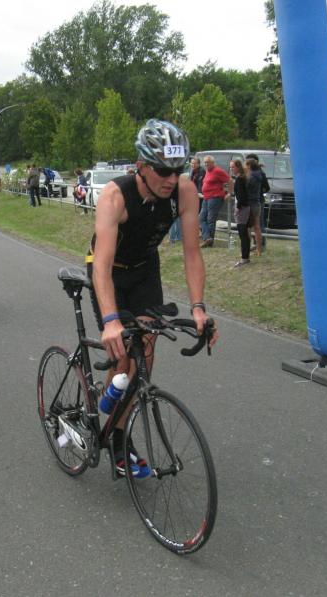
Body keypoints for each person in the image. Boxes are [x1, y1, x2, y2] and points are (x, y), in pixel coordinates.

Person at [87, 119, 218, 476]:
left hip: (145, 269)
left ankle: (118, 433)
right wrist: (111, 321)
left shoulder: (184, 191)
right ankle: (111, 405)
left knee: (144, 350)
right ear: (141, 166)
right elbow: (101, 267)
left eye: (178, 169)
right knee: (121, 351)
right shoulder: (114, 196)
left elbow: (192, 253)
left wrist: (198, 308)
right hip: (110, 271)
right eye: (162, 170)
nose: (171, 179)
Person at [231, 159, 262, 267]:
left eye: (233, 167)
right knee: (245, 233)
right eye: (230, 167)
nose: (231, 169)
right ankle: (246, 256)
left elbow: (242, 196)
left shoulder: (241, 179)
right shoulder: (243, 178)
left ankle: (245, 258)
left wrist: (238, 206)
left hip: (243, 208)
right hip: (247, 206)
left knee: (243, 233)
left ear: (238, 167)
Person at [199, 155, 231, 248]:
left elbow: (229, 180)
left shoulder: (217, 171)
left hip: (215, 197)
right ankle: (207, 237)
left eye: (208, 162)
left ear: (213, 163)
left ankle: (209, 241)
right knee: (201, 218)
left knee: (210, 220)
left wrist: (229, 193)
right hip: (206, 197)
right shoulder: (207, 171)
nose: (206, 164)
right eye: (205, 162)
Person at [245, 153, 270, 252]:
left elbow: (267, 188)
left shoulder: (260, 173)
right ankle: (255, 244)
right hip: (253, 201)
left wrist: (258, 191)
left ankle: (261, 244)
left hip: (258, 200)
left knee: (258, 224)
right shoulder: (250, 173)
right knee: (252, 224)